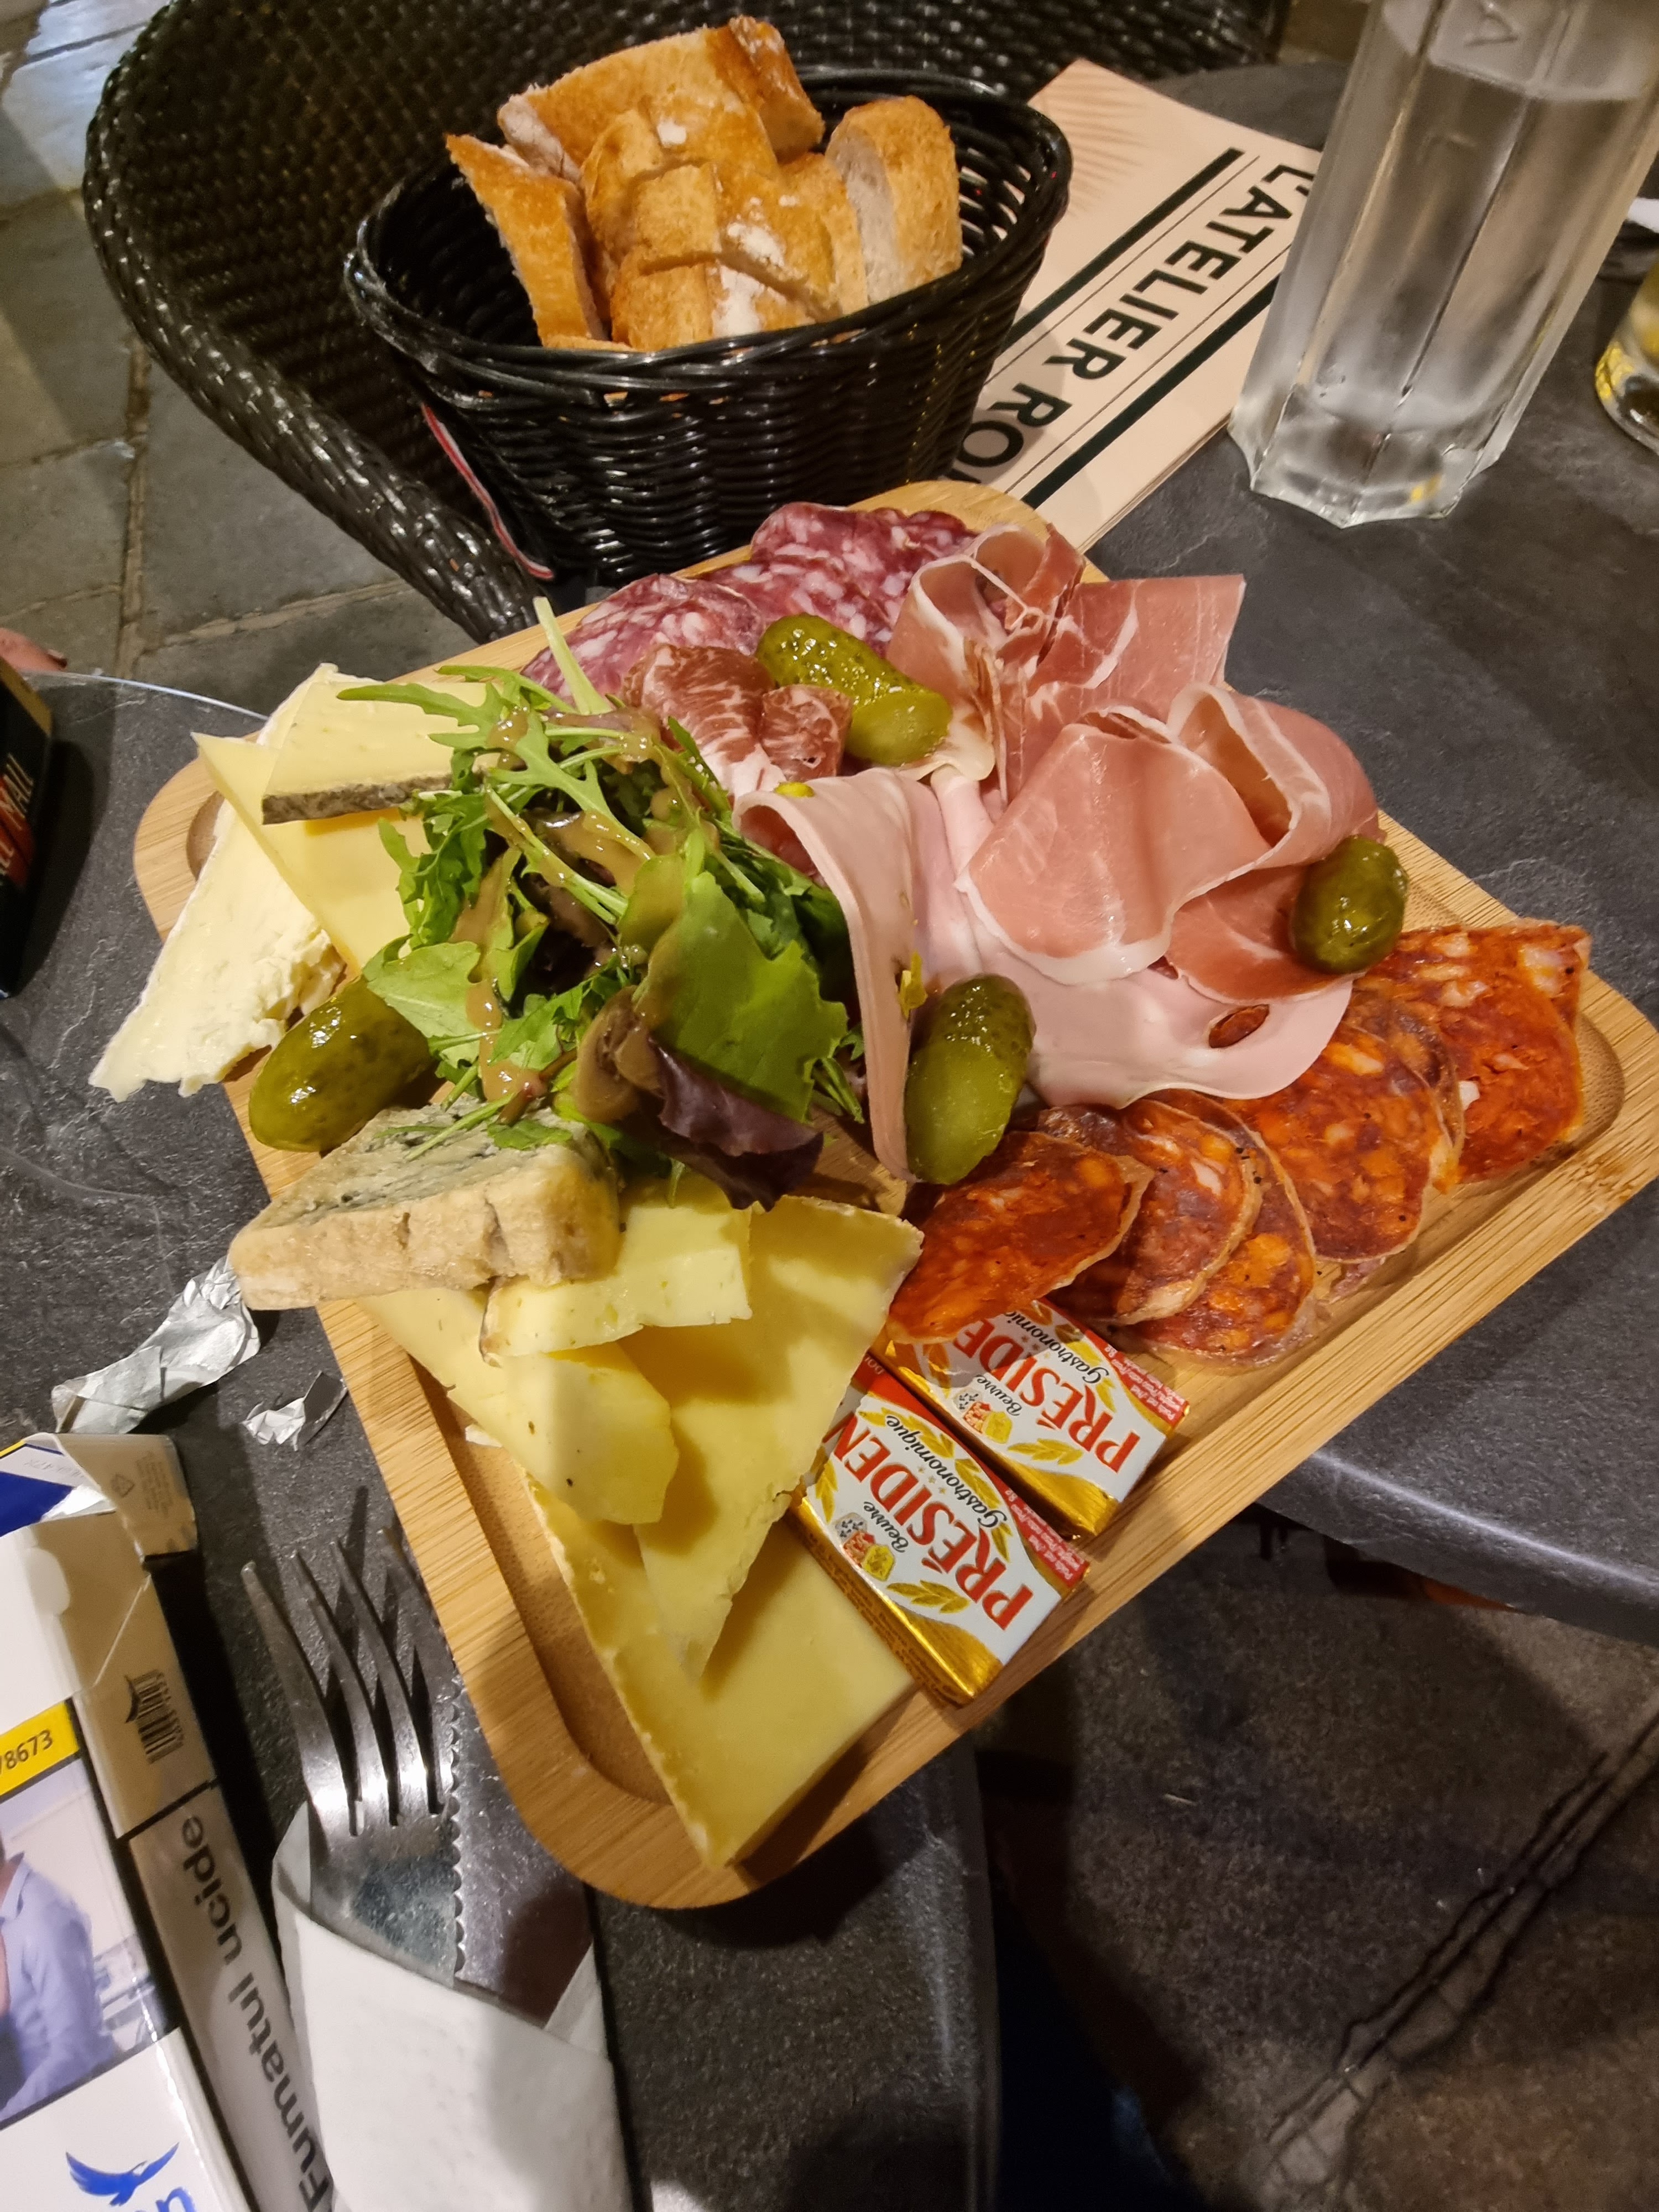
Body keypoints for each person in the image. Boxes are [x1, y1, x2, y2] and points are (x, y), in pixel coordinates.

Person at [0, 1822, 118, 2126]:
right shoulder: (8, 1922)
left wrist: (7, 2122)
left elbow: (75, 2051)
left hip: (87, 2105)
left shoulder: (42, 1919)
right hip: (51, 2112)